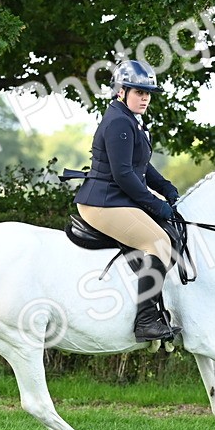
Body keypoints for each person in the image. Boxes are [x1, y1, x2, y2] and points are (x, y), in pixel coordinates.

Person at [74, 60, 181, 342]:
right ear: (121, 91)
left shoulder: (130, 119)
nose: (144, 97)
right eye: (138, 91)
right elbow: (123, 175)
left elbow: (141, 166)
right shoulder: (120, 122)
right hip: (103, 202)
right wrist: (155, 204)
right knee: (159, 243)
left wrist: (165, 187)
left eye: (147, 93)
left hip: (116, 198)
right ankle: (146, 320)